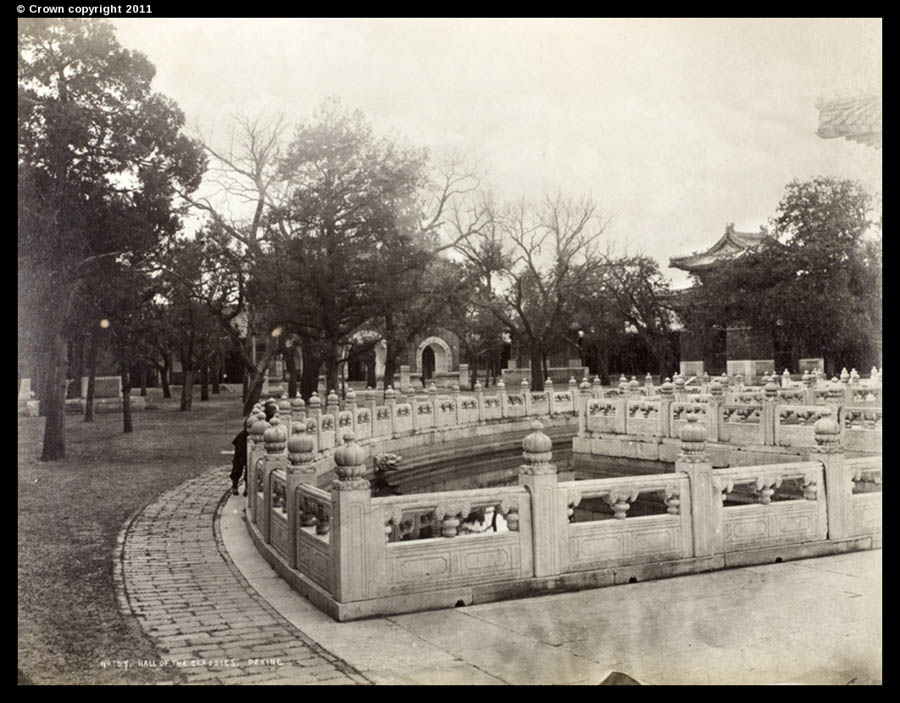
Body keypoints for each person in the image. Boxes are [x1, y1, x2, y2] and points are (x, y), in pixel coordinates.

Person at [230, 401, 278, 496]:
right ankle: (234, 485)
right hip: (242, 442)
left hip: (254, 444)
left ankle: (247, 487)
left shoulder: (269, 421)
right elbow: (246, 427)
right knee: (238, 465)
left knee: (250, 466)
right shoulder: (256, 418)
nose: (275, 413)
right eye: (273, 410)